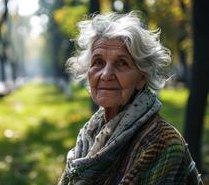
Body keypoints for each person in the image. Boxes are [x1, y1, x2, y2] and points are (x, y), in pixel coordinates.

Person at [58, 11, 203, 185]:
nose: (105, 75)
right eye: (98, 62)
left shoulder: (162, 144)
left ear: (142, 77)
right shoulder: (91, 134)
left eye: (121, 63)